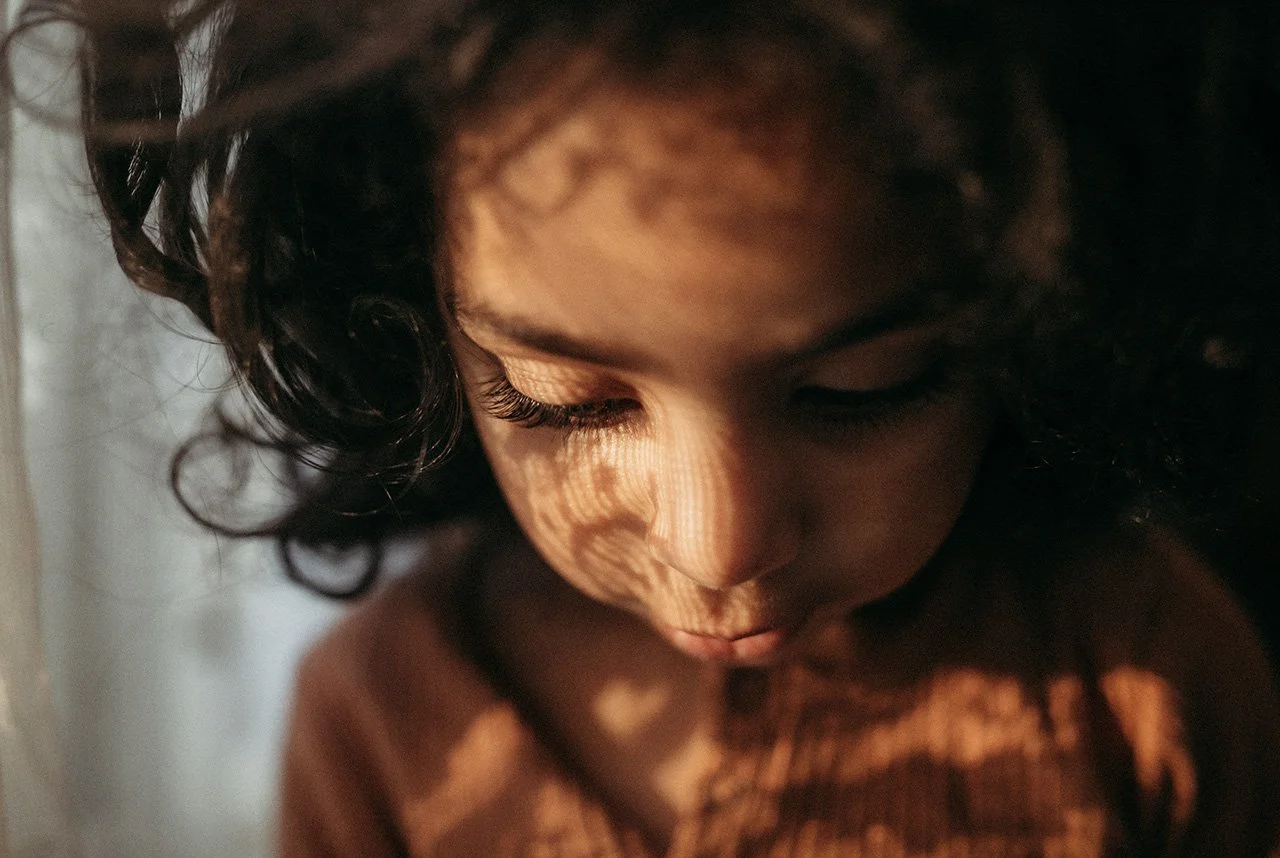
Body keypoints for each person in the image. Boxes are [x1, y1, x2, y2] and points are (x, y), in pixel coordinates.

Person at [10, 0, 1280, 853]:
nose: (718, 545)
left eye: (861, 388)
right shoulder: (387, 716)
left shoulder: (1144, 675)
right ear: (412, 316)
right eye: (561, 400)